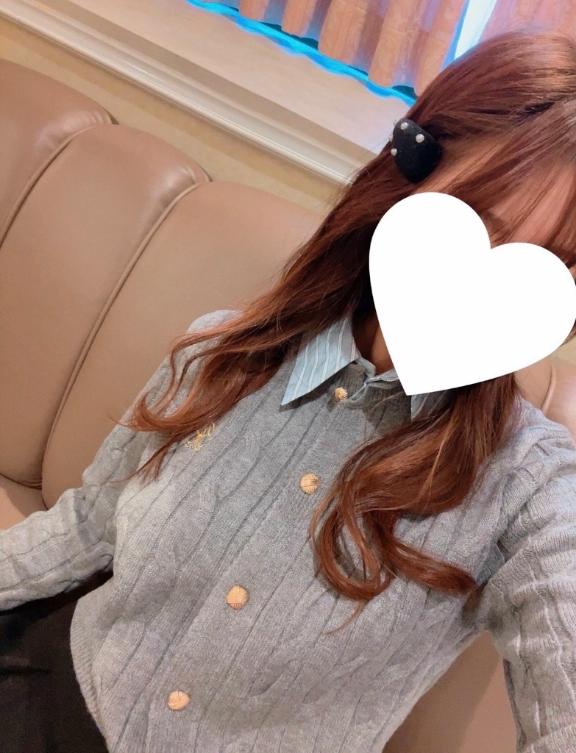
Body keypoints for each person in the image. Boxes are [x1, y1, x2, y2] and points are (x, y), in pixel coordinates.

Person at [1, 28, 576, 753]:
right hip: (52, 681)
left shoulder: (530, 487)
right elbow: (92, 523)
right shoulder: (221, 350)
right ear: (408, 178)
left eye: (552, 263)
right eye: (477, 223)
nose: (489, 283)